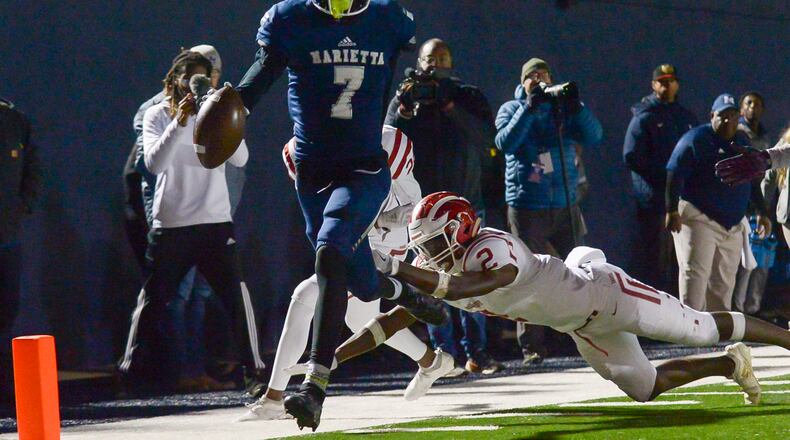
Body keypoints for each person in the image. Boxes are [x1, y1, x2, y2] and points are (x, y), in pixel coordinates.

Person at [233, 0, 444, 430]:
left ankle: (314, 386)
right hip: (314, 173)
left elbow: (412, 199)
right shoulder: (291, 20)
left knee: (329, 255)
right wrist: (227, 106)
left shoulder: (387, 19)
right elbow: (255, 85)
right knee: (363, 286)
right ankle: (400, 294)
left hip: (364, 169)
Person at [372, 191, 790, 406]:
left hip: (606, 294)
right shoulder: (443, 273)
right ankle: (732, 363)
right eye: (421, 247)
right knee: (645, 389)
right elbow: (392, 321)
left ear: (461, 230)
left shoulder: (492, 248)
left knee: (699, 329)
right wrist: (323, 368)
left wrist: (393, 269)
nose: (426, 255)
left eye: (432, 243)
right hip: (580, 325)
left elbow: (463, 289)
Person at [237, 125, 454, 421]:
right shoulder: (298, 150)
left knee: (306, 296)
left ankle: (273, 399)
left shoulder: (386, 141)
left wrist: (385, 222)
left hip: (387, 239)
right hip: (354, 230)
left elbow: (412, 207)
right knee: (360, 318)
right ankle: (431, 362)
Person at [118, 50, 265, 392]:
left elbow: (240, 158)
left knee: (235, 297)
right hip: (172, 226)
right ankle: (131, 371)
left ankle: (254, 373)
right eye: (189, 81)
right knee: (154, 301)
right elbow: (154, 165)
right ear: (174, 83)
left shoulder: (212, 112)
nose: (194, 89)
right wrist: (180, 122)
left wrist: (223, 114)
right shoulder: (156, 115)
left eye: (203, 80)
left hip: (214, 222)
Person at [384, 38, 502, 375]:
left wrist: (451, 105)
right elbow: (388, 136)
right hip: (422, 205)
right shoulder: (407, 94)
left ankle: (477, 351)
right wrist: (403, 107)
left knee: (472, 274)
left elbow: (486, 142)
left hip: (464, 198)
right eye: (429, 59)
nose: (435, 65)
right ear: (418, 62)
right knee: (429, 277)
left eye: (442, 58)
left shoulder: (467, 95)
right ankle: (442, 353)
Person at [495, 57, 602, 366]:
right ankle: (532, 345)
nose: (539, 80)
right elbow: (505, 142)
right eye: (532, 76)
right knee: (528, 275)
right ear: (523, 82)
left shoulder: (561, 110)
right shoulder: (512, 109)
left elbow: (594, 135)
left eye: (544, 75)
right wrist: (530, 107)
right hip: (528, 206)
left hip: (565, 202)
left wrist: (576, 106)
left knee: (584, 269)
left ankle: (589, 335)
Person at [665, 94, 771, 312]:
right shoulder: (695, 139)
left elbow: (751, 180)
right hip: (699, 216)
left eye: (732, 116)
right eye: (722, 116)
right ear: (712, 115)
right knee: (696, 273)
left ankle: (718, 332)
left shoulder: (741, 141)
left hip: (731, 222)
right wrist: (671, 210)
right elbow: (674, 174)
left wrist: (762, 212)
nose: (728, 121)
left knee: (724, 281)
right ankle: (690, 330)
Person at [622, 64, 698, 294]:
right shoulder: (644, 117)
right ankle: (650, 319)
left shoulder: (684, 116)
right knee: (654, 262)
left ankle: (679, 315)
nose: (667, 85)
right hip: (654, 203)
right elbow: (631, 156)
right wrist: (666, 176)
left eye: (671, 81)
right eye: (662, 81)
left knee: (682, 260)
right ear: (654, 85)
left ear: (677, 84)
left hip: (683, 201)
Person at [0, 97, 41, 407]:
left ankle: (3, 391)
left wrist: (19, 207)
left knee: (6, 312)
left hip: (6, 237)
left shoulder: (14, 119)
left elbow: (33, 169)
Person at [732, 91, 773, 315]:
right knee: (744, 261)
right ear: (741, 109)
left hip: (762, 203)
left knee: (762, 260)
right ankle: (737, 310)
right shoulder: (737, 134)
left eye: (757, 104)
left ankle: (753, 309)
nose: (753, 108)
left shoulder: (765, 138)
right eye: (749, 103)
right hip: (743, 203)